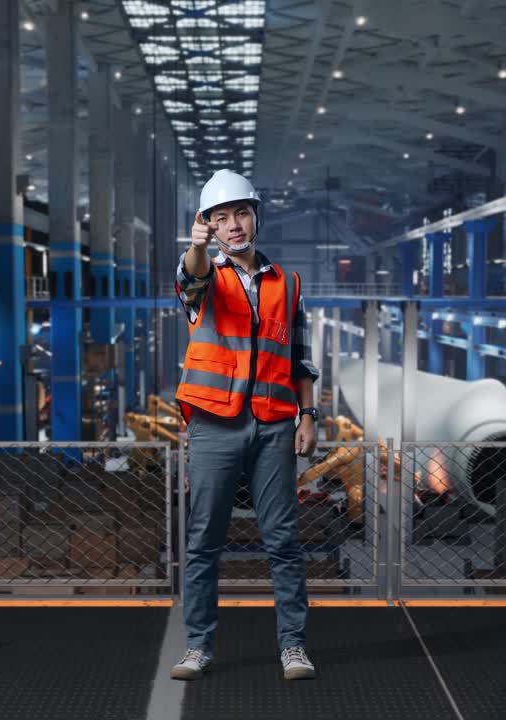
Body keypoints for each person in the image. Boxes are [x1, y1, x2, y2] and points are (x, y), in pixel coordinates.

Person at [169, 169, 320, 681]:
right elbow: (190, 281)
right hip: (215, 424)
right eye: (220, 218)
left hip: (275, 424)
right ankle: (197, 646)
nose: (232, 224)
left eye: (240, 213)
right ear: (208, 226)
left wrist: (308, 414)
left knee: (283, 540)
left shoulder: (289, 284)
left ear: (255, 216)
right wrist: (195, 249)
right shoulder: (204, 276)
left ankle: (293, 647)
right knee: (204, 541)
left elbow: (300, 358)